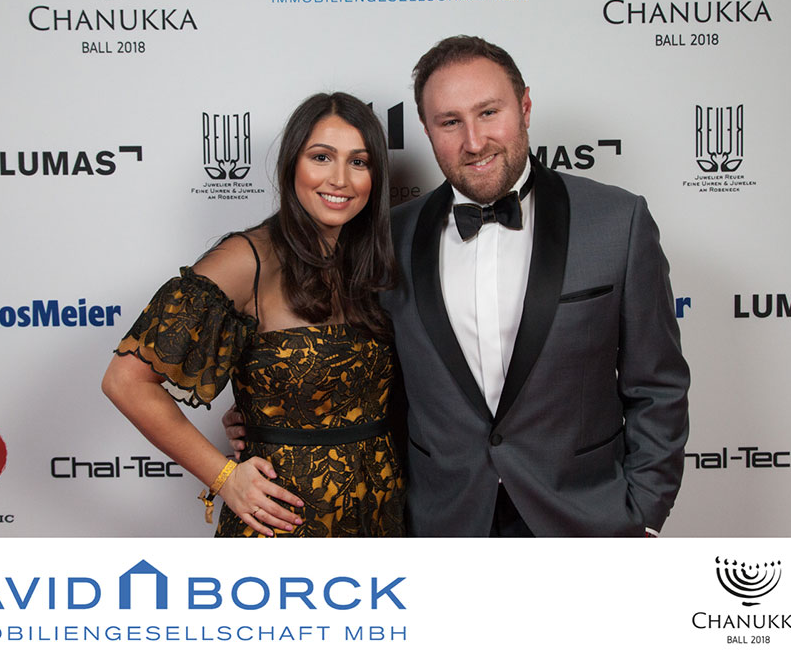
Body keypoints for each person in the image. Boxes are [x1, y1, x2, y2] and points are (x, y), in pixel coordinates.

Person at [229, 36, 690, 537]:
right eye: (450, 122)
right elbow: (361, 365)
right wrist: (270, 410)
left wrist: (645, 515)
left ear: (525, 107)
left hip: (584, 521)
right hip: (440, 523)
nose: (474, 141)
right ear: (426, 129)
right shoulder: (389, 237)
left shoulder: (617, 221)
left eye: (489, 113)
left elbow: (656, 385)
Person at [103, 92, 404, 537]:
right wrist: (223, 476)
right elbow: (125, 382)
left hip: (379, 515)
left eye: (358, 162)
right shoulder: (247, 259)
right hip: (285, 524)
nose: (340, 179)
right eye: (321, 157)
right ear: (292, 164)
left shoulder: (368, 262)